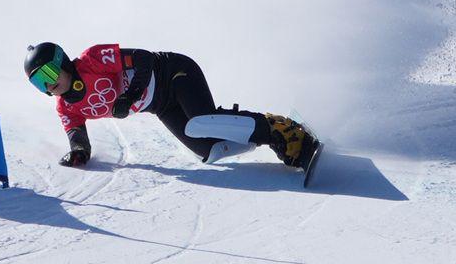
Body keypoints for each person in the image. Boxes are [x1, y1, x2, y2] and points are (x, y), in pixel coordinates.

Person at [24, 42, 320, 170]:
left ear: (62, 62)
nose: (48, 85)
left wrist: (130, 96)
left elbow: (144, 58)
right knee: (210, 151)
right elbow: (77, 138)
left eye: (48, 73)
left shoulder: (92, 59)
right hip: (162, 105)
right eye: (38, 83)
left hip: (173, 71)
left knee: (202, 120)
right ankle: (267, 131)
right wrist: (78, 154)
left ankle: (284, 133)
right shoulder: (66, 108)